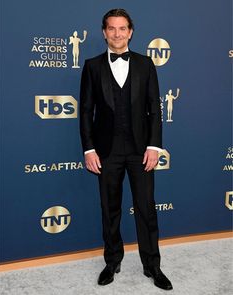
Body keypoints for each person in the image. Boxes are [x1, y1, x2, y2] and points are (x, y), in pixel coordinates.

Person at [80, 8, 173, 291]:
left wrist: (155, 146)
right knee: (110, 210)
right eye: (112, 28)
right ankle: (112, 261)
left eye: (122, 28)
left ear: (130, 32)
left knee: (146, 209)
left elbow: (155, 111)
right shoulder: (92, 66)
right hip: (106, 152)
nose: (117, 34)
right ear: (104, 32)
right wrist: (89, 149)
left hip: (140, 151)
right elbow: (85, 112)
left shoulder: (146, 65)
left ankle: (152, 266)